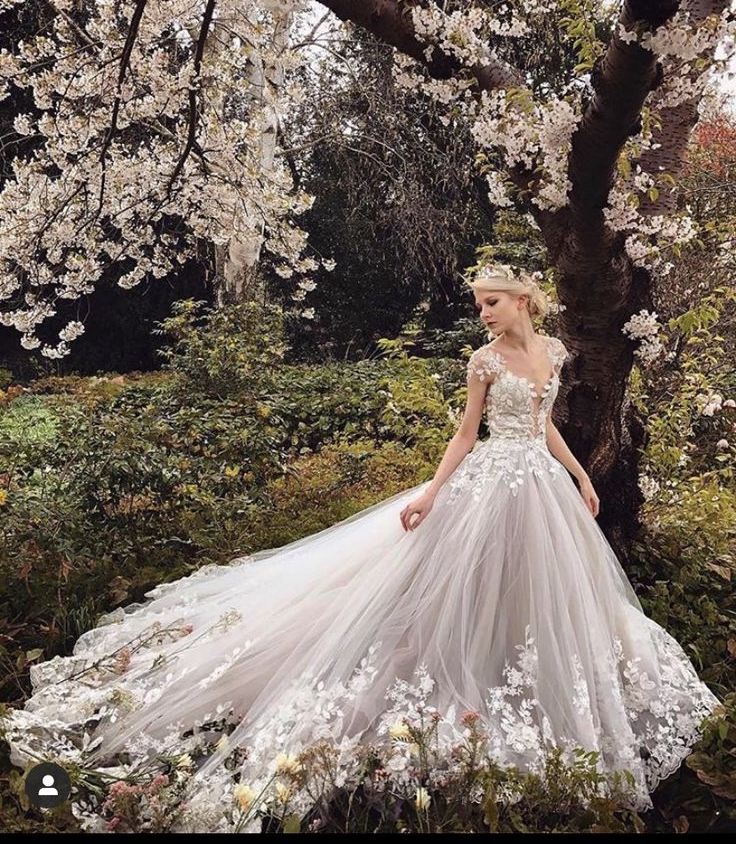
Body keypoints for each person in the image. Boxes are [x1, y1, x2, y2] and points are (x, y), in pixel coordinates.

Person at [1, 263, 722, 832]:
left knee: (540, 591)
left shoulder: (554, 352)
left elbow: (544, 424)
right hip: (489, 487)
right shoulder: (481, 361)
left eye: (489, 303)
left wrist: (576, 474)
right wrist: (433, 493)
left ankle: (528, 668)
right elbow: (466, 435)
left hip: (540, 487)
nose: (482, 314)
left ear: (521, 300)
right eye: (478, 305)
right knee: (458, 587)